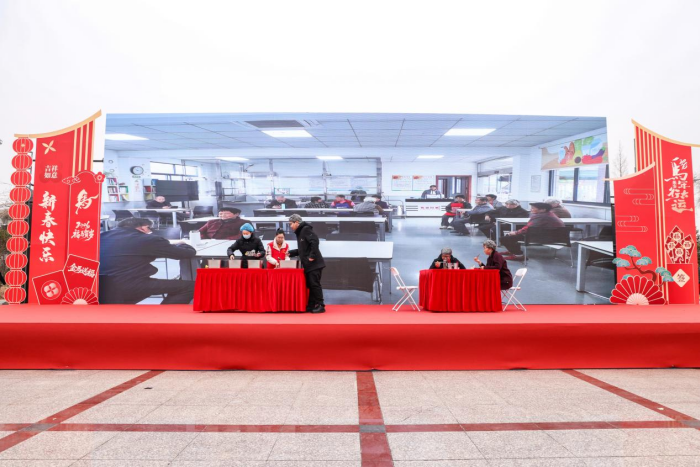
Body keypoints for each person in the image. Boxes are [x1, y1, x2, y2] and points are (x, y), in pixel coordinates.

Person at [99, 217, 196, 304]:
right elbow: (186, 253)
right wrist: (183, 243)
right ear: (144, 228)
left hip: (100, 286)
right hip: (128, 285)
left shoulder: (100, 236)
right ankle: (163, 316)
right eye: (150, 229)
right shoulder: (148, 239)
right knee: (192, 287)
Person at [499, 202, 565, 261]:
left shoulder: (540, 217)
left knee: (504, 238)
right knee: (511, 236)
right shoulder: (549, 214)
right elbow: (529, 227)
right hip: (553, 237)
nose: (531, 209)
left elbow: (528, 229)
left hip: (545, 238)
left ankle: (518, 255)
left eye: (533, 208)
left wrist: (516, 232)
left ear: (543, 210)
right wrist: (517, 232)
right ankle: (512, 251)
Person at [288, 214, 326, 313]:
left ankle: (321, 305)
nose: (290, 226)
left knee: (315, 284)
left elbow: (315, 241)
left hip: (314, 264)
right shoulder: (300, 232)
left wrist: (312, 256)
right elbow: (303, 249)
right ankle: (311, 305)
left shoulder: (305, 229)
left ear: (297, 222)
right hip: (309, 265)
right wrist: (291, 253)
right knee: (311, 285)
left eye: (291, 224)